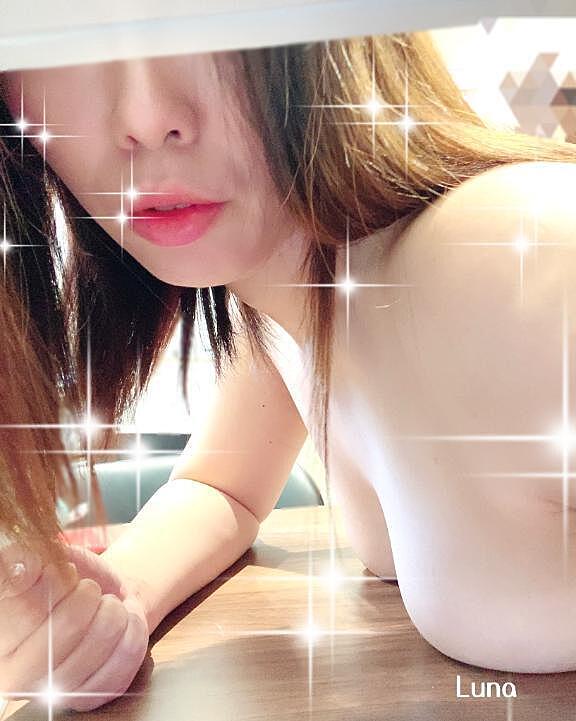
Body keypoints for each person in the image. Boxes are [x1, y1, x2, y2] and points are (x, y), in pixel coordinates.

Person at [1, 30, 576, 712]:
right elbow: (222, 488)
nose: (149, 119)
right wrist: (119, 599)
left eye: (217, 21)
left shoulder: (516, 260)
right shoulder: (296, 305)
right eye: (69, 34)